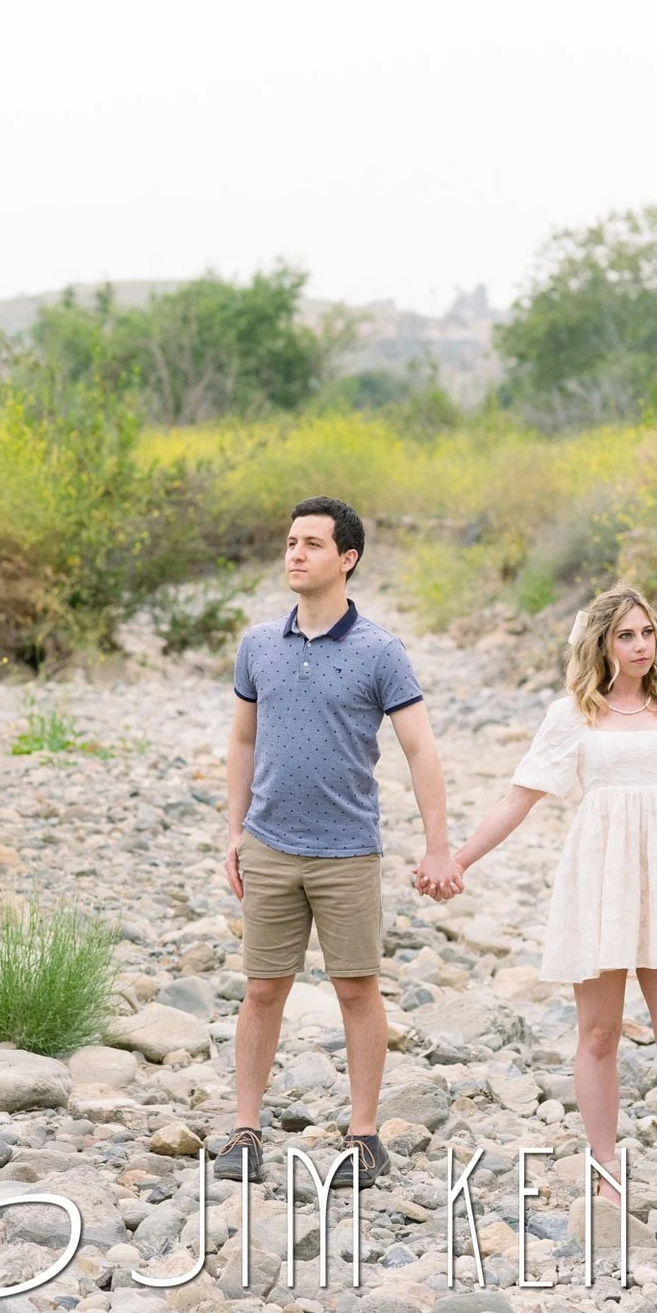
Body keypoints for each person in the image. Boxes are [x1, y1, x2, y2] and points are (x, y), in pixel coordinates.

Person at [417, 584, 657, 1227]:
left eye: (647, 633)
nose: (640, 645)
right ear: (601, 644)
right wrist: (457, 859)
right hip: (601, 881)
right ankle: (607, 1177)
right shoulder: (572, 716)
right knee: (599, 1034)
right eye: (625, 635)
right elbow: (518, 800)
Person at [216, 495, 451, 1189]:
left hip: (347, 849)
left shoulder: (380, 651)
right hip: (269, 843)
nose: (295, 553)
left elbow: (420, 750)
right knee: (263, 989)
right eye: (291, 542)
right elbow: (241, 739)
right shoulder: (259, 645)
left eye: (312, 544)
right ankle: (245, 1130)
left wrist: (438, 847)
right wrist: (233, 833)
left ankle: (364, 1136)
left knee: (355, 989)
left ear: (347, 558)